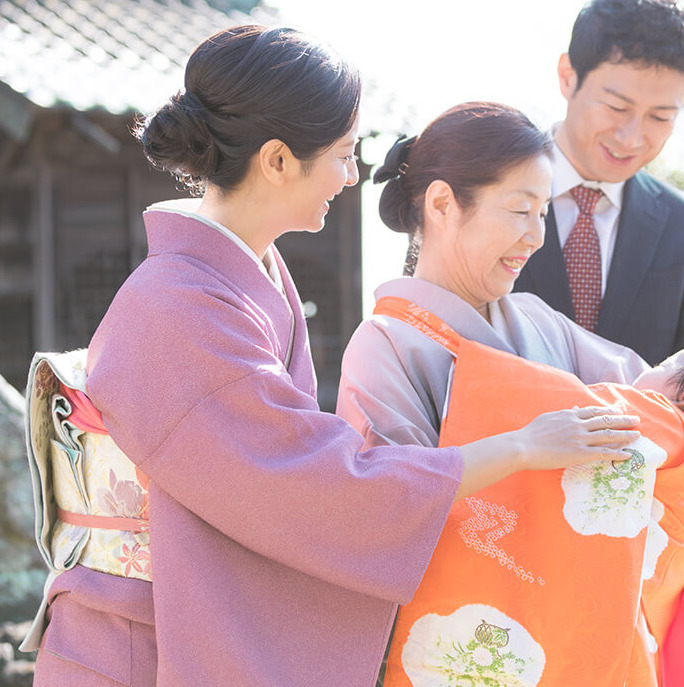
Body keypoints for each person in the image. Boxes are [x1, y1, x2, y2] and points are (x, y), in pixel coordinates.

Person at [25, 26, 641, 687]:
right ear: (278, 159)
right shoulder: (177, 306)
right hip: (135, 647)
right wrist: (516, 448)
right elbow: (316, 482)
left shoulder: (239, 280)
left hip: (170, 624)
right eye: (344, 154)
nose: (352, 176)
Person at [337, 101, 684, 686]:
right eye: (519, 211)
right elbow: (385, 501)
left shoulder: (537, 319)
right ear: (441, 204)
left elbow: (647, 405)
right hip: (466, 641)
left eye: (543, 214)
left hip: (575, 634)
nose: (535, 237)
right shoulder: (385, 343)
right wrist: (522, 448)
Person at [513, 0, 684, 363]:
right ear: (568, 76)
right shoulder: (477, 185)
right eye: (616, 107)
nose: (630, 137)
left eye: (659, 117)